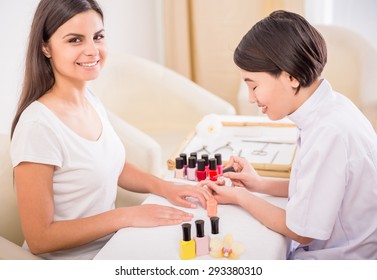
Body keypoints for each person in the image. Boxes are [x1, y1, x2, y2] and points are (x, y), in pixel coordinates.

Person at [10, 0, 210, 260]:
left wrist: (165, 186)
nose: (92, 50)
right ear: (46, 48)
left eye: (98, 36)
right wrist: (125, 216)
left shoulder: (90, 99)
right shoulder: (38, 126)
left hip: (112, 246)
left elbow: (111, 164)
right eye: (75, 40)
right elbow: (39, 238)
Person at [203, 10, 377, 259]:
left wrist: (240, 197)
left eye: (254, 85)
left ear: (290, 77)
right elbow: (320, 188)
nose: (252, 98)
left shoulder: (328, 132)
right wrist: (260, 184)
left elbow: (302, 231)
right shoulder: (333, 108)